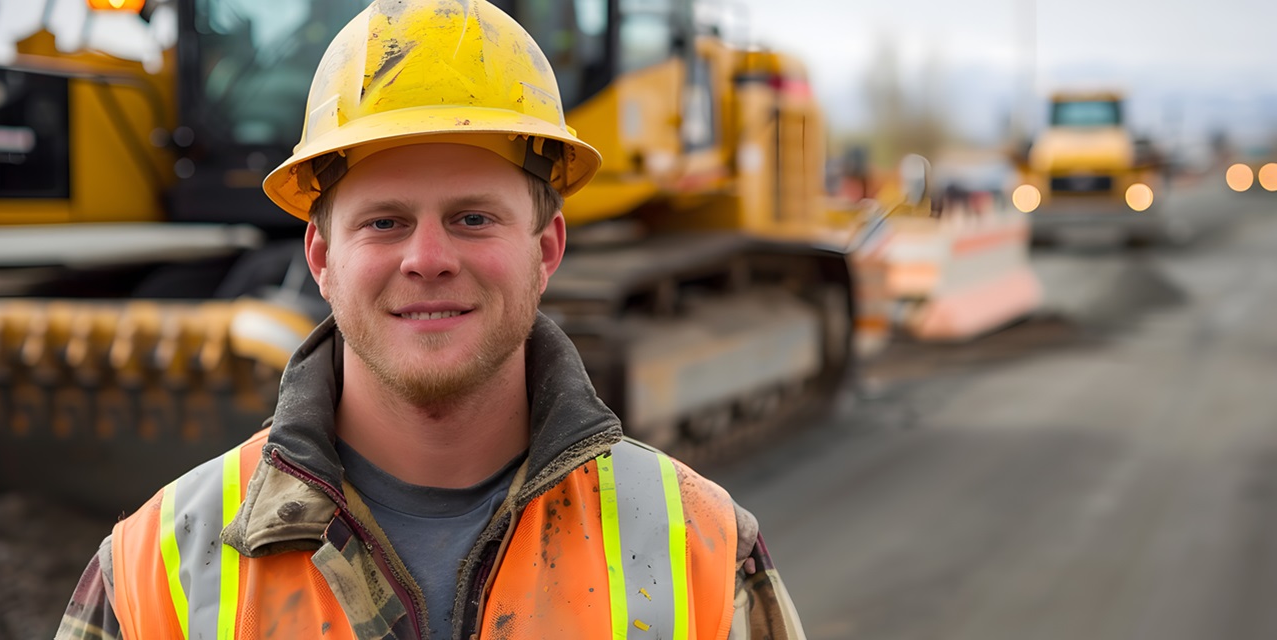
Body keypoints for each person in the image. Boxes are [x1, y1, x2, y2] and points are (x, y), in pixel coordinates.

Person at [57, 1, 805, 638]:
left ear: (547, 248)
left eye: (473, 217)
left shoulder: (704, 553)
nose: (428, 258)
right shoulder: (153, 575)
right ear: (320, 256)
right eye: (383, 222)